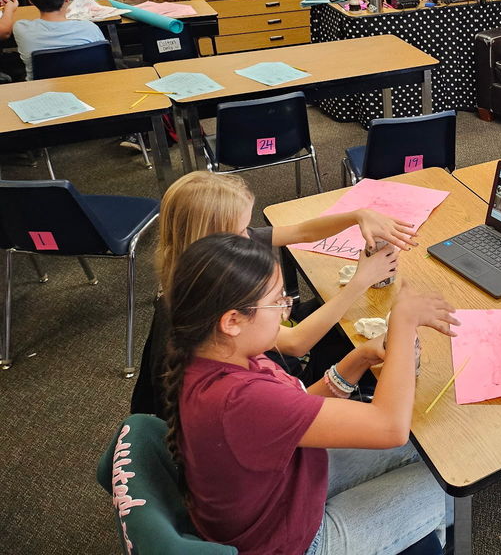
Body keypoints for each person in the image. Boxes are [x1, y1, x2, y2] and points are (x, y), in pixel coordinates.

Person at [163, 233, 457, 554]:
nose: (286, 313)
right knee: (451, 486)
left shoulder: (220, 352)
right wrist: (403, 324)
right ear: (232, 320)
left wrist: (356, 360)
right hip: (294, 542)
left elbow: (299, 408)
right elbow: (390, 427)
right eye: (277, 302)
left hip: (287, 488)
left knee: (434, 450)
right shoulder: (241, 399)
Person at [131, 171, 414, 416]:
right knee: (347, 339)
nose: (249, 236)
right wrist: (360, 282)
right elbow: (295, 343)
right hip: (261, 385)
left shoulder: (204, 255)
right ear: (214, 236)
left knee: (334, 320)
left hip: (247, 374)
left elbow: (302, 232)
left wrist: (357, 215)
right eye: (242, 229)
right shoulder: (214, 297)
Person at [0, 0, 104, 79]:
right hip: (88, 84)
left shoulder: (21, 28)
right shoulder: (90, 27)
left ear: (30, 0)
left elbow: (5, 30)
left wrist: (9, 9)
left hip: (41, 90)